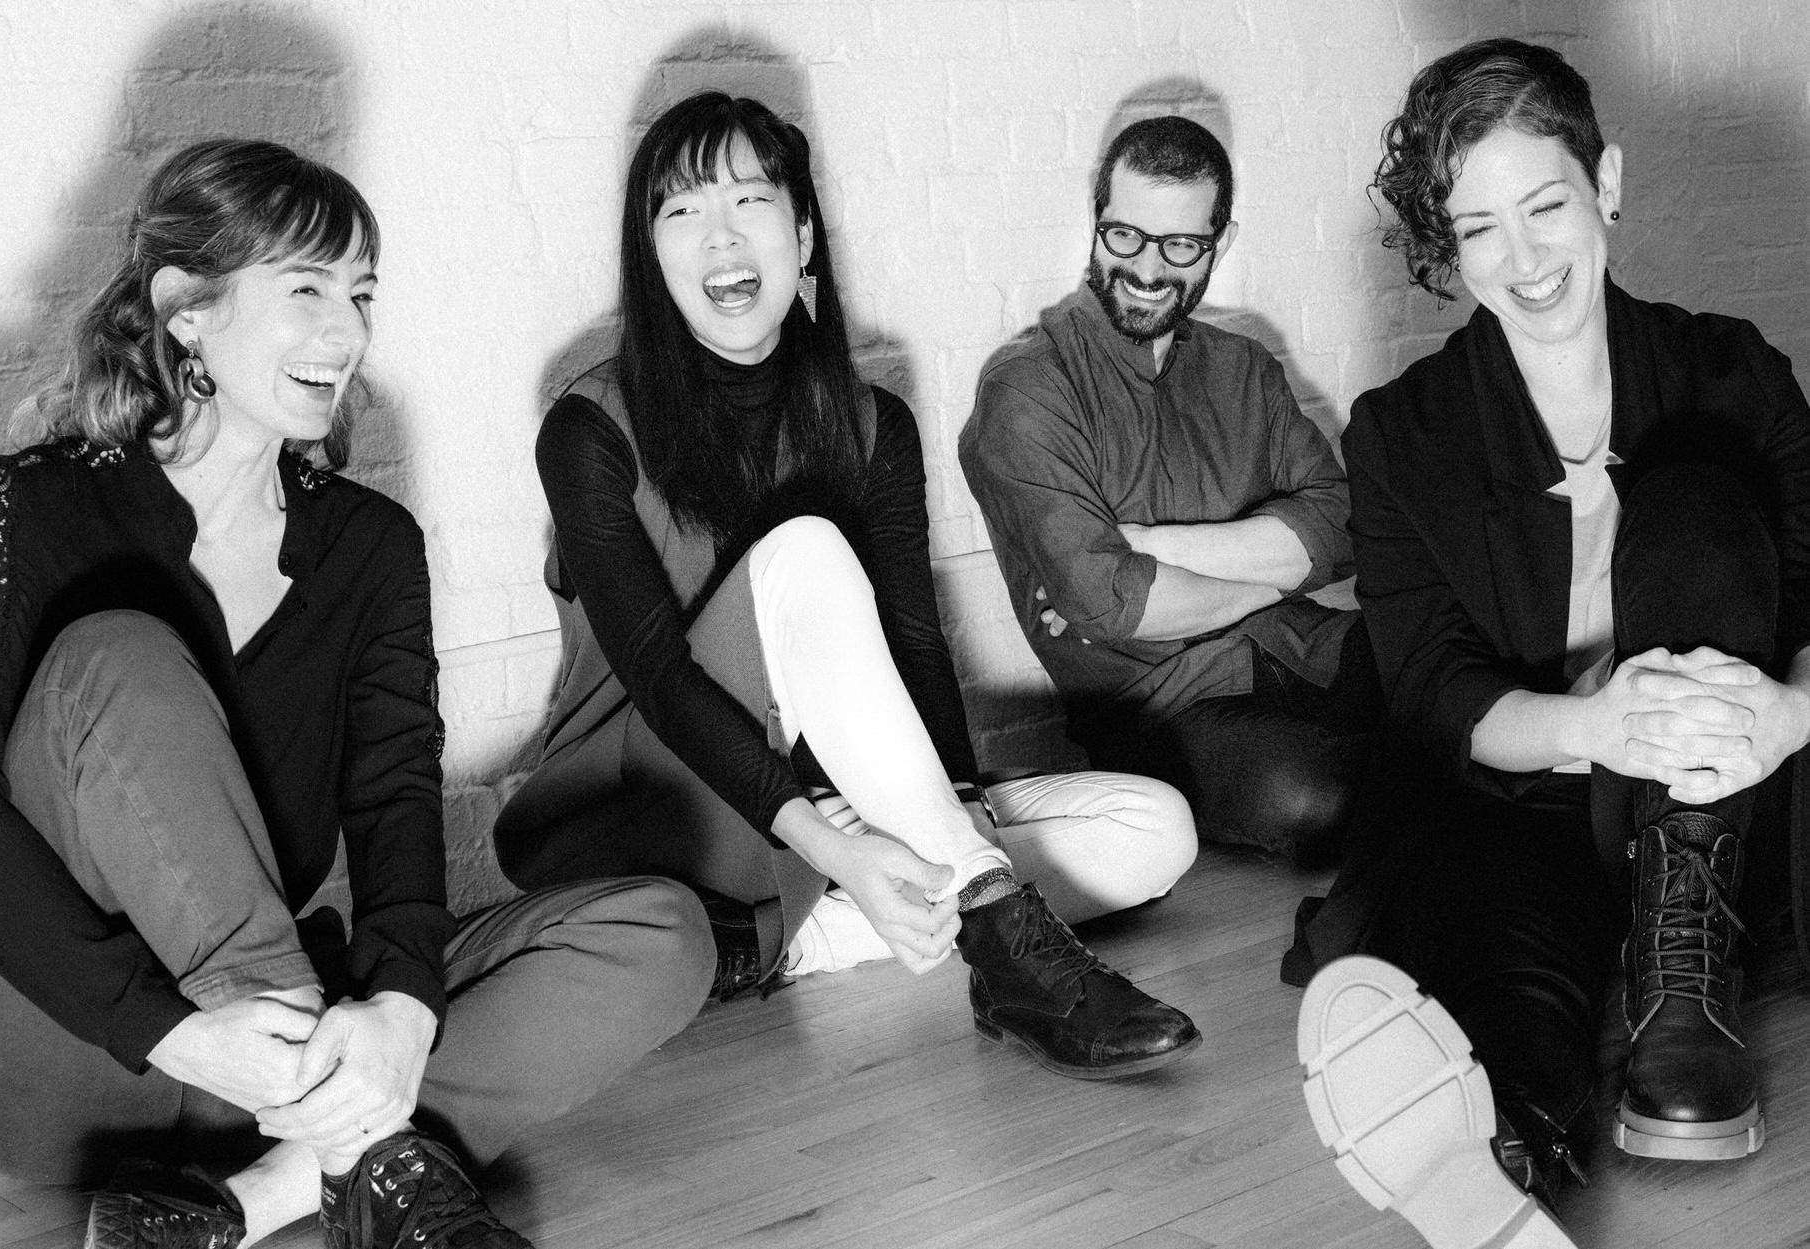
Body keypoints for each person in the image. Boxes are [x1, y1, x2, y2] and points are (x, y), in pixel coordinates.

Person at [0, 139, 713, 1249]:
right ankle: (370, 1157)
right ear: (186, 310)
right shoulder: (34, 502)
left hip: (247, 1061)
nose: (346, 333)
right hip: (44, 1041)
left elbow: (397, 797)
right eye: (306, 289)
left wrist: (398, 1010)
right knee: (114, 652)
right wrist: (170, 1027)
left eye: (360, 295)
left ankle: (244, 1202)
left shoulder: (368, 544)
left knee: (663, 933)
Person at [494, 91, 1201, 1080]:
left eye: (750, 200)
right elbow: (657, 675)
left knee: (1154, 830)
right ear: (649, 253)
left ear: (802, 230)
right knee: (807, 553)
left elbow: (918, 641)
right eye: (683, 211)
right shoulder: (589, 427)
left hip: (831, 810)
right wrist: (842, 848)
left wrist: (954, 810)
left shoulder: (872, 423)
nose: (722, 237)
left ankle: (774, 947)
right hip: (656, 811)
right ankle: (985, 922)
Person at [1295, 38, 1810, 1249]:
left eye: (1545, 206)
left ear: (1607, 184)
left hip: (1739, 801)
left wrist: (1792, 714)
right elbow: (1428, 685)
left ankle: (1687, 973)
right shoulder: (1400, 433)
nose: (1523, 261)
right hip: (1530, 800)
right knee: (1510, 983)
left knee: (1689, 509)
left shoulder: (1734, 371)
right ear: (1447, 244)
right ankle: (1506, 1171)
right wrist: (1590, 724)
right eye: (1479, 229)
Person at [959, 116, 1378, 862]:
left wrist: (1152, 547)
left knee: (1459, 679)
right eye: (1126, 236)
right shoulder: (1025, 389)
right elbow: (1111, 603)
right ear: (1095, 223)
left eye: (1181, 245)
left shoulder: (1244, 367)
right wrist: (1269, 574)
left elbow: (1344, 524)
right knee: (1322, 795)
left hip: (1301, 645)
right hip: (1161, 712)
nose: (1147, 270)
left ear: (1221, 241)